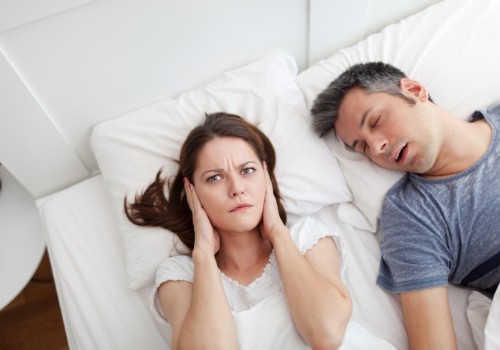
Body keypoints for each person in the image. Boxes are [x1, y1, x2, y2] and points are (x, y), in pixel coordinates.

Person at [124, 112, 395, 349]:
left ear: (266, 177)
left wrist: (277, 232)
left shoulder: (306, 239)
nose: (237, 188)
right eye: (215, 177)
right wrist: (204, 255)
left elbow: (326, 335)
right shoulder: (181, 276)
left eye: (248, 170)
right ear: (192, 192)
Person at [310, 62, 500, 349]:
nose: (376, 147)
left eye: (375, 122)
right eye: (361, 147)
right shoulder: (412, 217)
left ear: (414, 91)